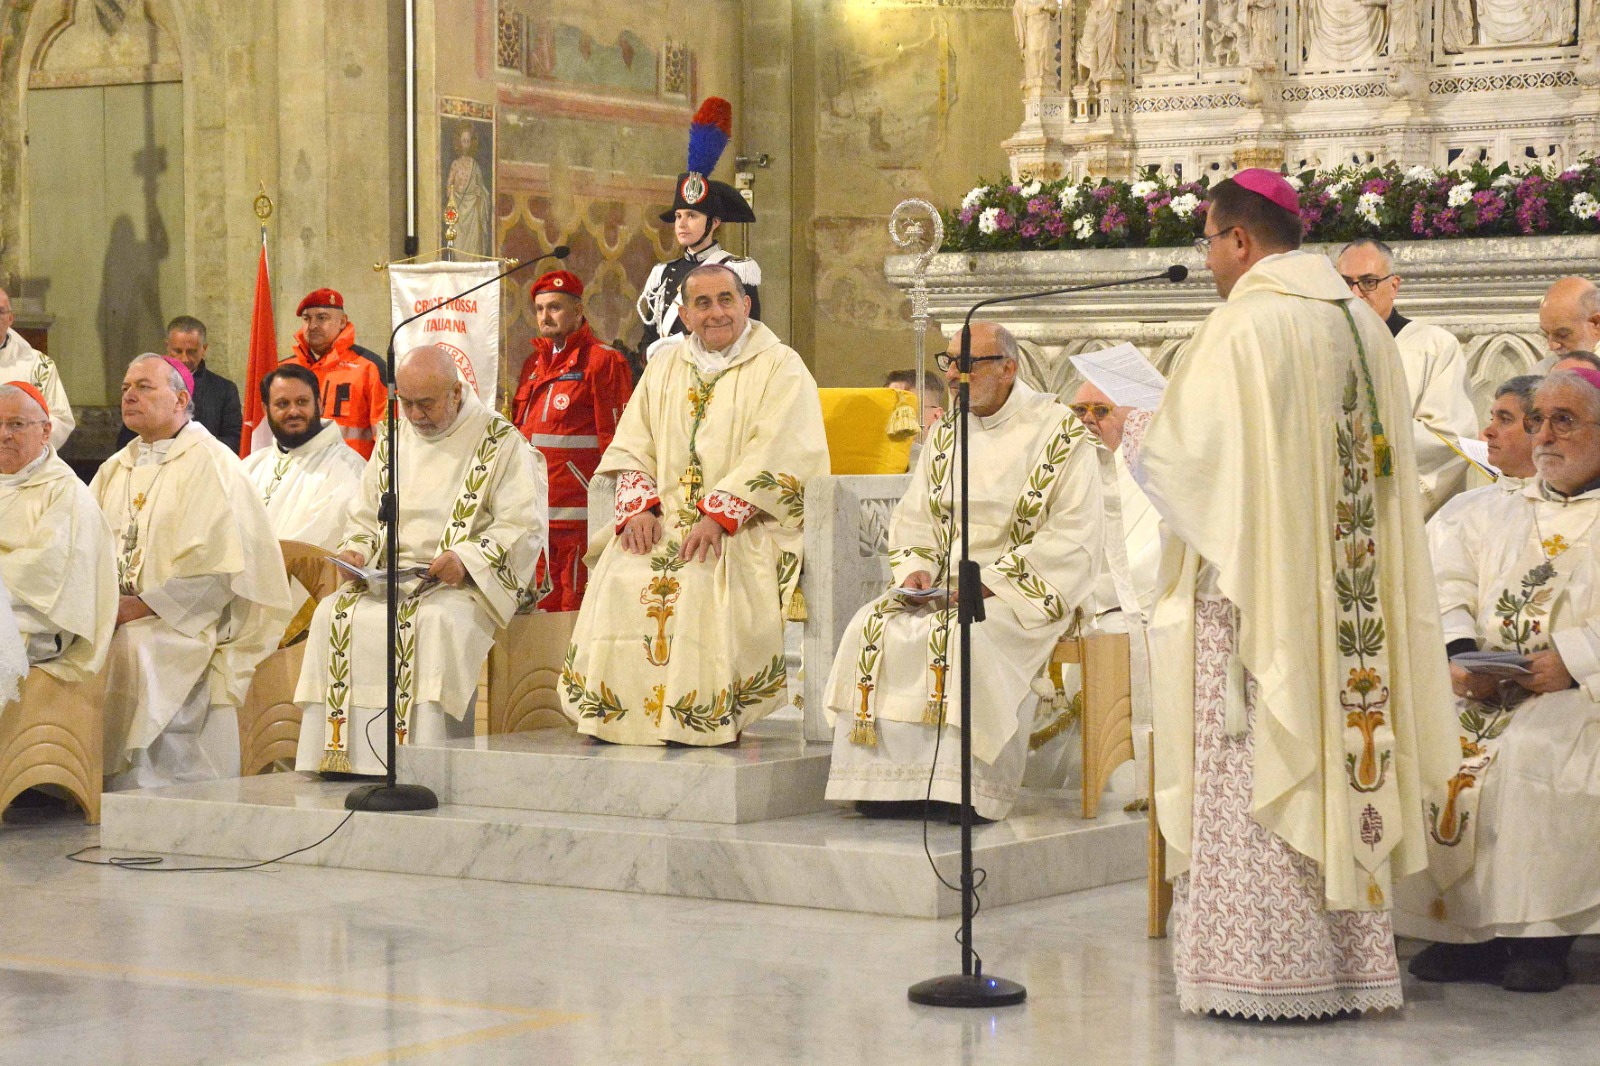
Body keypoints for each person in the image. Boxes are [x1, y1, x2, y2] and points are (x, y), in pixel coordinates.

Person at [1130, 170, 1457, 1019]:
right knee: (1341, 760)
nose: (1206, 262)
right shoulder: (1362, 326)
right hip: (1349, 606)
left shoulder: (1242, 327)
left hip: (1254, 607)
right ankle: (1349, 968)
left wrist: (1135, 433)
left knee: (1255, 765)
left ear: (1240, 241)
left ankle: (1264, 972)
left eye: (1208, 242)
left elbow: (1189, 467)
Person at [822, 322, 1103, 820]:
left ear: (1009, 368)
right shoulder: (947, 432)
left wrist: (987, 587)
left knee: (967, 639)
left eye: (968, 364)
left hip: (1015, 592)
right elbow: (916, 519)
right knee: (872, 625)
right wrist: (914, 571)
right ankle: (885, 787)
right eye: (949, 362)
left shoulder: (1057, 432)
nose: (954, 376)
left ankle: (961, 791)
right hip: (941, 587)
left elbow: (1073, 536)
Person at [562, 264, 827, 746]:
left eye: (726, 299)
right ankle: (618, 715)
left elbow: (786, 450)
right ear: (684, 314)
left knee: (703, 581)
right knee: (621, 573)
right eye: (702, 304)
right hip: (663, 519)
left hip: (745, 523)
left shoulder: (781, 366)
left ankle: (699, 717)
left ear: (746, 304)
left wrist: (720, 515)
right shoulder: (665, 366)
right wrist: (639, 506)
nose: (716, 313)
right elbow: (631, 443)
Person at [1398, 367, 1600, 993]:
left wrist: (1573, 659)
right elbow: (1439, 583)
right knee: (1431, 742)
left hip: (1580, 691)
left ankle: (1539, 935)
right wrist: (1460, 655)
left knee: (1535, 754)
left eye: (1563, 421)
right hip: (1487, 684)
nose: (1544, 435)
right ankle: (1463, 932)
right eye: (1537, 420)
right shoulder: (1483, 508)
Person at [294, 346, 547, 775]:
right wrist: (356, 549)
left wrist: (465, 558)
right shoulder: (394, 437)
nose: (414, 415)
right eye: (405, 403)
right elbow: (365, 511)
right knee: (331, 614)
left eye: (426, 403)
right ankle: (343, 759)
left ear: (455, 391)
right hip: (390, 573)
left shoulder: (498, 441)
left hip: (458, 582)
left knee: (432, 624)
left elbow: (522, 524)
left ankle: (425, 764)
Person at [91, 354, 291, 789]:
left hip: (188, 620)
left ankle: (137, 779)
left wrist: (142, 606)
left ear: (182, 399)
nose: (129, 394)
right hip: (120, 609)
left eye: (144, 386)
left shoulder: (212, 464)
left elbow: (218, 573)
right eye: (126, 386)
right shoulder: (115, 467)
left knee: (133, 647)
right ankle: (64, 772)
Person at [511, 270, 634, 611]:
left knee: (574, 616)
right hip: (536, 520)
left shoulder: (603, 362)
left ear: (578, 311)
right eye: (539, 309)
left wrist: (617, 513)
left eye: (555, 307)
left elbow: (619, 442)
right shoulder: (533, 365)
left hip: (580, 522)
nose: (545, 317)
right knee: (536, 617)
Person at [1336, 239, 1480, 516]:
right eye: (1345, 283)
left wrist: (1365, 434)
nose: (1355, 293)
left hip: (1401, 508)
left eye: (1368, 282)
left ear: (1394, 285)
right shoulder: (1322, 346)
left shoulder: (1434, 346)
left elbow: (1450, 439)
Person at [0, 381, 115, 678]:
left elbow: (45, 572)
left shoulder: (66, 493)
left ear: (46, 431)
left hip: (32, 624)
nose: (4, 435)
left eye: (16, 424)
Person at [636, 97, 761, 360]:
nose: (681, 223)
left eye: (692, 215)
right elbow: (648, 337)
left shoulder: (736, 269)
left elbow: (750, 336)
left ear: (714, 222)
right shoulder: (663, 274)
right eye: (679, 215)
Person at [239, 363, 366, 550]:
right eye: (282, 404)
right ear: (265, 410)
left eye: (302, 402)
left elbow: (316, 543)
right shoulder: (250, 466)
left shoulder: (348, 468)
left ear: (320, 404)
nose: (293, 412)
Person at [283, 289, 387, 458]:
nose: (313, 325)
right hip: (297, 475)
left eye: (322, 318)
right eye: (306, 319)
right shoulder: (285, 370)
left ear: (342, 322)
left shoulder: (369, 368)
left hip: (353, 474)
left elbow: (387, 438)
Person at [116, 316, 243, 453]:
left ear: (204, 349)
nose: (184, 359)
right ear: (167, 347)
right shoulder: (145, 384)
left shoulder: (224, 389)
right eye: (177, 351)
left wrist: (188, 447)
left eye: (191, 351)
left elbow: (234, 440)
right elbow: (128, 437)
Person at [0, 288, 73, 448]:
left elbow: (61, 418)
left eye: (0, 311)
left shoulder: (38, 366)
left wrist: (23, 441)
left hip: (21, 463)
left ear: (10, 318)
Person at [1537, 276, 1600, 360]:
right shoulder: (1545, 367)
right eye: (1546, 335)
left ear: (1596, 323)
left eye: (1563, 335)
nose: (1552, 346)